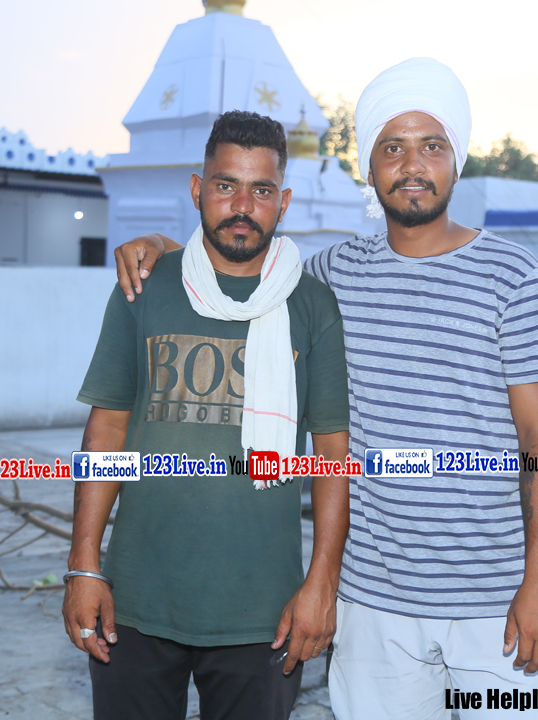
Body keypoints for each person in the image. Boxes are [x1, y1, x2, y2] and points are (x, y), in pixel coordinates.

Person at [112, 59, 538, 719]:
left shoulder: (514, 276)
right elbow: (242, 259)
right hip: (371, 604)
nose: (412, 165)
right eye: (393, 147)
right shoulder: (330, 277)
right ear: (368, 164)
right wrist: (162, 246)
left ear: (457, 160)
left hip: (493, 602)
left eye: (431, 146)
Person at [63, 110, 351, 720]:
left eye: (262, 190)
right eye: (226, 186)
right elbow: (107, 429)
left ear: (284, 202)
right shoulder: (145, 286)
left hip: (264, 611)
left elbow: (333, 454)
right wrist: (83, 565)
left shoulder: (311, 304)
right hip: (136, 601)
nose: (242, 206)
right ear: (198, 190)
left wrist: (321, 583)